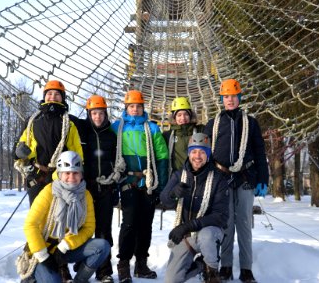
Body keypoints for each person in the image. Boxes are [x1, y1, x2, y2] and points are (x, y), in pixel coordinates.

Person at [203, 78, 269, 283]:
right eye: (226, 97)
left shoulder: (250, 122)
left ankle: (247, 268)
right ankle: (226, 266)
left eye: (233, 96)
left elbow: (259, 151)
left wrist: (263, 178)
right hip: (221, 179)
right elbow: (204, 153)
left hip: (246, 177)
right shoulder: (213, 124)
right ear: (221, 99)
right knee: (226, 224)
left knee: (243, 223)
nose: (229, 100)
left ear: (239, 97)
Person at [24, 151, 111, 283]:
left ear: (81, 174)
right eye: (67, 173)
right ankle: (34, 275)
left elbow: (89, 228)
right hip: (44, 249)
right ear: (59, 174)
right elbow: (30, 225)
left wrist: (65, 245)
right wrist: (43, 256)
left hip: (66, 248)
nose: (71, 177)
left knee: (102, 246)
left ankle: (79, 280)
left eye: (75, 172)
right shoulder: (49, 192)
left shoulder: (85, 195)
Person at [111, 90, 169, 283]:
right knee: (128, 223)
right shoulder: (117, 128)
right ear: (126, 108)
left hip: (148, 182)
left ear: (143, 108)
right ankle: (124, 264)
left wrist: (160, 185)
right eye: (131, 106)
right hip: (128, 181)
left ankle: (142, 263)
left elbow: (161, 157)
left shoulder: (151, 128)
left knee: (145, 224)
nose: (135, 110)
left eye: (138, 106)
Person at [160, 133, 229, 283]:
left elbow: (220, 216)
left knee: (206, 235)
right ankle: (200, 265)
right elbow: (164, 200)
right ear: (189, 153)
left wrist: (187, 226)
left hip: (210, 231)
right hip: (187, 235)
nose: (197, 156)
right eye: (194, 151)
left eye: (202, 152)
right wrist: (174, 194)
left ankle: (212, 272)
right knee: (171, 280)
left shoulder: (219, 178)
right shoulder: (179, 175)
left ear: (208, 155)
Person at [14, 80, 83, 205]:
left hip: (62, 177)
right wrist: (19, 153)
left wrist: (77, 173)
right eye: (49, 93)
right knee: (38, 217)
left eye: (57, 94)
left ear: (62, 98)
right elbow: (22, 143)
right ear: (44, 96)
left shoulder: (70, 123)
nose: (53, 97)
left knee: (60, 218)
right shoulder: (33, 121)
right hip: (37, 176)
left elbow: (76, 151)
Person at [75, 95, 118, 283]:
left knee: (104, 230)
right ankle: (81, 263)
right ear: (89, 114)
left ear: (105, 114)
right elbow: (68, 119)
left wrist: (115, 183)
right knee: (83, 227)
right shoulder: (83, 131)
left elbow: (117, 160)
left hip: (106, 188)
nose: (98, 117)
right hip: (87, 188)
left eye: (101, 113)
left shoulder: (111, 134)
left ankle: (104, 270)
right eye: (94, 113)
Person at [163, 97, 204, 177]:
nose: (183, 118)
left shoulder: (200, 131)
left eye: (186, 114)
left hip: (196, 175)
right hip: (176, 175)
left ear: (190, 116)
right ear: (174, 117)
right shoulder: (167, 135)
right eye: (179, 115)